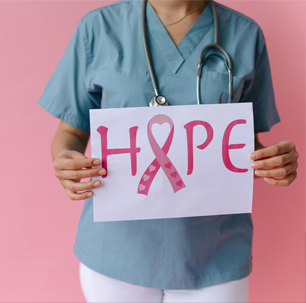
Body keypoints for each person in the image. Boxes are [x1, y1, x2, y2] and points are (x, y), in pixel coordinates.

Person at [38, 0, 299, 302]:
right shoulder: (98, 28)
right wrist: (65, 159)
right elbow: (70, 132)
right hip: (116, 251)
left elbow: (241, 145)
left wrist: (273, 162)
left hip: (214, 253)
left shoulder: (245, 34)